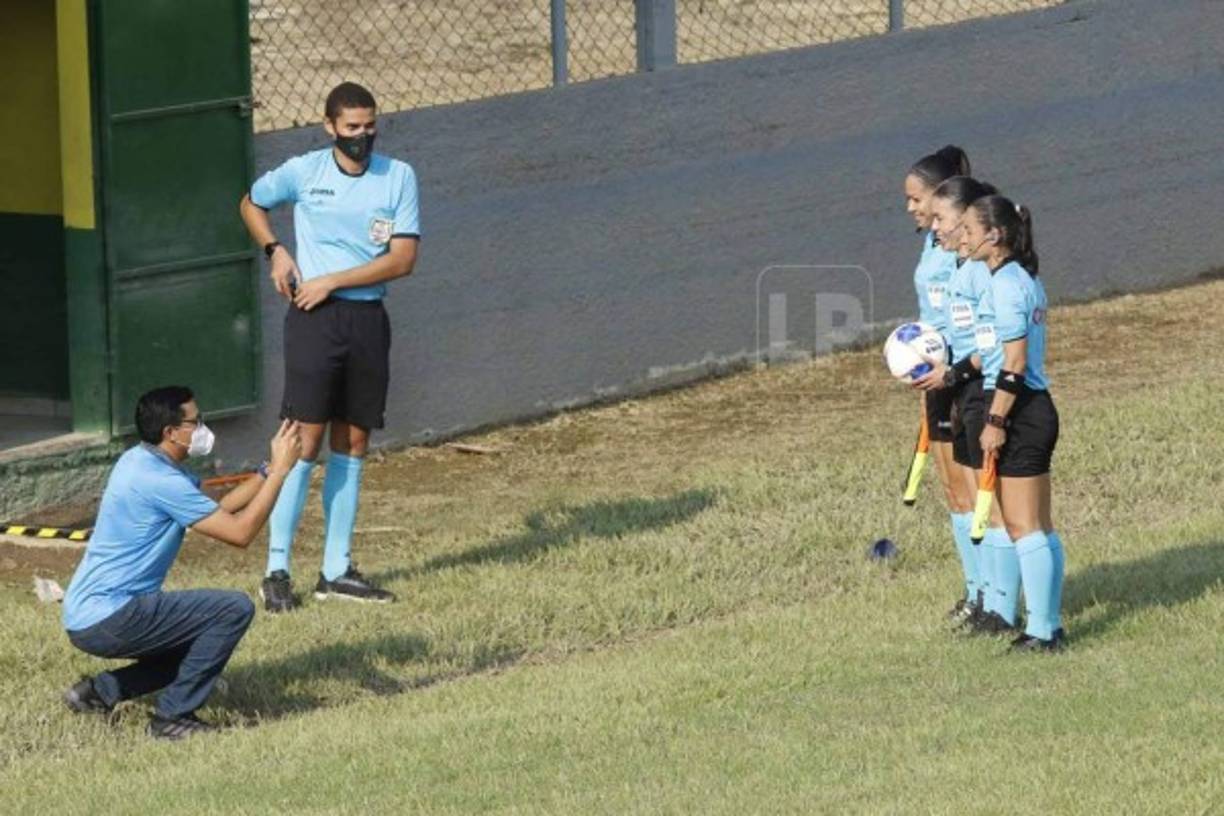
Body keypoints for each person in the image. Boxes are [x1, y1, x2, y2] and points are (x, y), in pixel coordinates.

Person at [239, 81, 420, 612]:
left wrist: (333, 280)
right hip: (313, 321)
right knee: (302, 441)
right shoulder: (304, 172)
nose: (363, 135)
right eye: (352, 127)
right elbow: (250, 203)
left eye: (370, 125)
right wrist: (275, 250)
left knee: (355, 439)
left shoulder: (399, 176)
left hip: (366, 317)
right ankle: (276, 570)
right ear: (330, 127)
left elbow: (402, 259)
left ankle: (336, 570)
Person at [62, 386, 302, 739]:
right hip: (111, 615)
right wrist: (281, 473)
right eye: (196, 422)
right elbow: (240, 533)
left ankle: (98, 692)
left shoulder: (138, 460)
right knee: (232, 609)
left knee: (199, 646)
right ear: (171, 432)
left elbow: (217, 508)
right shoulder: (160, 480)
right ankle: (172, 716)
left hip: (85, 615)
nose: (203, 429)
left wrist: (266, 471)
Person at [913, 176, 1020, 635]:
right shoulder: (959, 266)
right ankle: (983, 597)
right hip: (958, 386)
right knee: (970, 499)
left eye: (942, 218)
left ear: (967, 220)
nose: (935, 227)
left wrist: (955, 374)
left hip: (978, 389)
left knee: (988, 503)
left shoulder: (983, 273)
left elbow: (991, 343)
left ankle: (1001, 609)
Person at [964, 195, 1066, 651]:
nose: (963, 237)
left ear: (994, 235)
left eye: (970, 229)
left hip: (1019, 409)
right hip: (1030, 407)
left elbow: (1015, 363)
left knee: (1024, 526)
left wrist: (995, 420)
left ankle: (1043, 631)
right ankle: (1048, 624)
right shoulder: (1023, 278)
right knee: (1038, 525)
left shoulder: (1006, 285)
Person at [902, 146, 978, 620]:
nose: (910, 208)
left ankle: (993, 596)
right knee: (952, 490)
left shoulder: (961, 245)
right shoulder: (932, 242)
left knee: (971, 490)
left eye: (916, 198)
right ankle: (974, 591)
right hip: (933, 377)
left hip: (959, 375)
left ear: (942, 195)